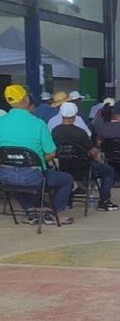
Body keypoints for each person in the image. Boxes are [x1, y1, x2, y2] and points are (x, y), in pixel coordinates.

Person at [0, 84, 74, 225]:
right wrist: (35, 160)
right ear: (26, 99)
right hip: (32, 176)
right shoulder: (38, 124)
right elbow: (51, 153)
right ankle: (54, 213)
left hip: (5, 176)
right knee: (66, 179)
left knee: (13, 176)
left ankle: (30, 211)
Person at [51, 102, 120, 212]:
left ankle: (67, 200)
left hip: (64, 168)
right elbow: (91, 151)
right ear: (75, 116)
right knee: (109, 172)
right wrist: (97, 156)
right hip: (84, 168)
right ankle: (104, 201)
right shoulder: (80, 133)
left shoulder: (55, 131)